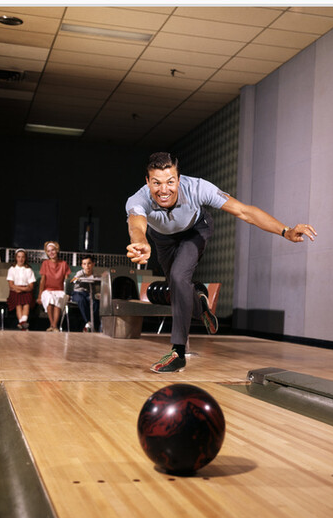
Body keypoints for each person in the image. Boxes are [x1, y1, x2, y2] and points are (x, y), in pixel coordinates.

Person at [125, 151, 317, 373]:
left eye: (170, 181)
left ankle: (177, 352)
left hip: (195, 230)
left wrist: (285, 231)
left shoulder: (198, 188)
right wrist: (140, 242)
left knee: (178, 278)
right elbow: (136, 224)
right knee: (179, 287)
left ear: (179, 178)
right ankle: (200, 300)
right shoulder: (138, 199)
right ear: (147, 181)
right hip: (162, 239)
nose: (164, 190)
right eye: (156, 183)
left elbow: (244, 211)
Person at [38, 240, 71, 332]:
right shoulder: (45, 263)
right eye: (48, 251)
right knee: (49, 298)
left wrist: (68, 293)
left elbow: (67, 280)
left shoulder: (63, 264)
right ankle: (52, 325)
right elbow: (42, 280)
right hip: (48, 290)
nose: (51, 253)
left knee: (58, 300)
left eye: (52, 250)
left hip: (60, 290)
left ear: (57, 250)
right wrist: (39, 295)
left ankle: (54, 326)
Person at [6, 248, 36, 330]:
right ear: (16, 258)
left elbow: (31, 286)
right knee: (18, 303)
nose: (21, 259)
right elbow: (11, 285)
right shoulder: (12, 269)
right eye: (19, 257)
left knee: (26, 303)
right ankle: (23, 324)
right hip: (15, 291)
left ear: (25, 258)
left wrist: (22, 289)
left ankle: (21, 323)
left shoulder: (29, 270)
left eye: (22, 257)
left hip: (26, 291)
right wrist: (18, 289)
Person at [71, 255, 101, 332]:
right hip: (77, 293)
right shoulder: (80, 273)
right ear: (82, 265)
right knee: (81, 300)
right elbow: (72, 281)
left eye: (89, 263)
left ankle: (94, 322)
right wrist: (77, 279)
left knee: (94, 301)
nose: (87, 266)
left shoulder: (95, 274)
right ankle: (88, 322)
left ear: (93, 264)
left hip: (88, 293)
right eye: (84, 264)